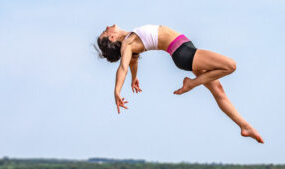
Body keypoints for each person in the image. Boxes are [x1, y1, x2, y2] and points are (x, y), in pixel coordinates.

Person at [95, 24, 264, 143]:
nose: (108, 25)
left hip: (186, 50)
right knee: (230, 65)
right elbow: (123, 66)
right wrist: (117, 91)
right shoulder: (127, 44)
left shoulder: (131, 42)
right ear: (111, 37)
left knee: (219, 91)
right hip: (184, 52)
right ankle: (191, 84)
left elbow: (132, 62)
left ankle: (245, 127)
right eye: (105, 30)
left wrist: (134, 78)